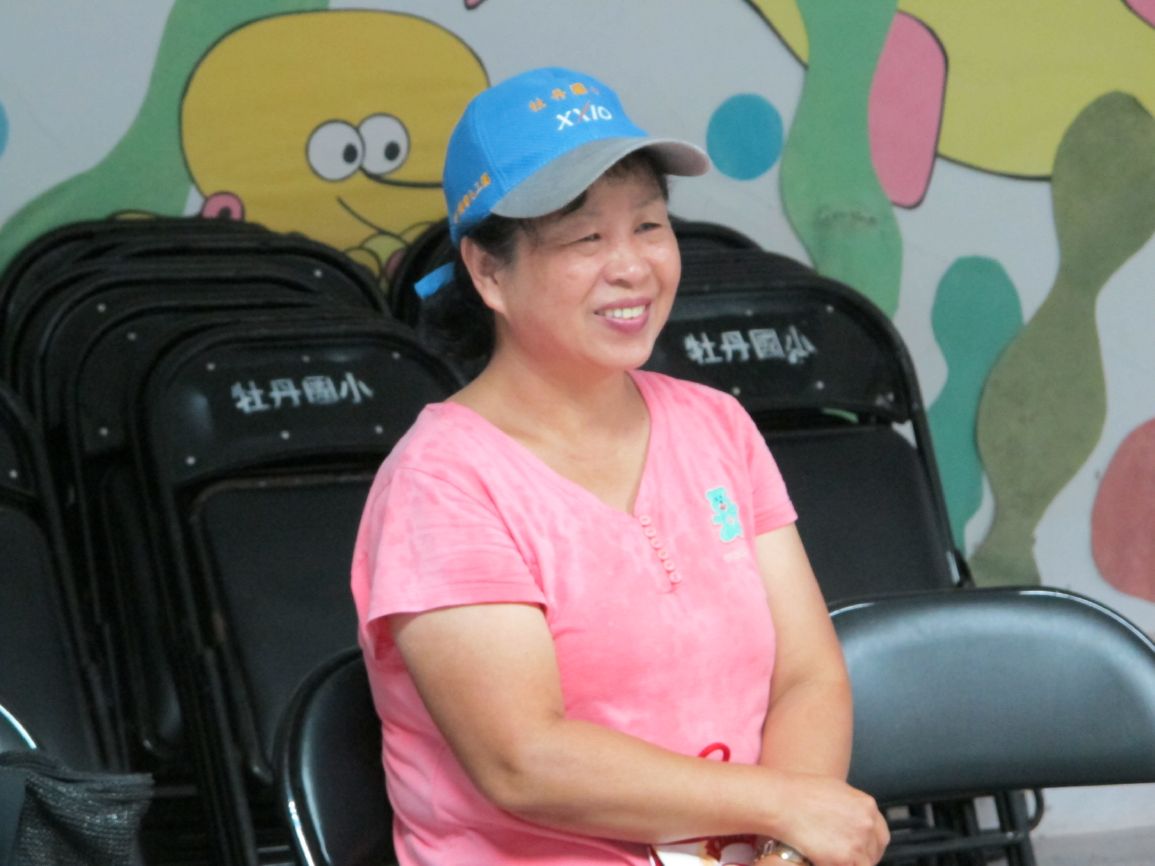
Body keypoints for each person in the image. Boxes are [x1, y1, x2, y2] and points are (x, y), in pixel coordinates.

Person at [350, 66, 890, 866]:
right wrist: (783, 805)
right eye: (585, 239)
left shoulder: (715, 424)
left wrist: (783, 850)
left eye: (647, 225)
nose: (633, 266)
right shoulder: (442, 482)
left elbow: (806, 675)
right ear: (489, 271)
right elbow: (524, 760)